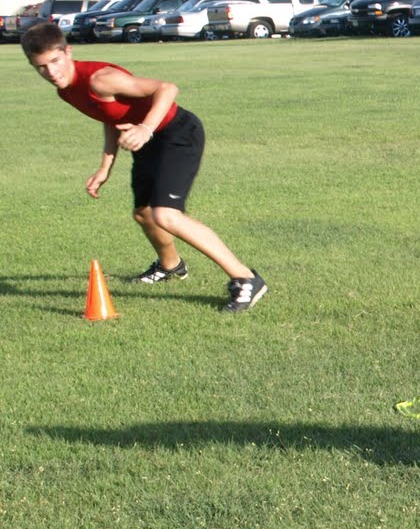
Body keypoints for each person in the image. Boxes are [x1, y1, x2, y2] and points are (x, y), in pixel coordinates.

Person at [20, 21, 267, 312]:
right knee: (143, 214)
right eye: (41, 67)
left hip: (177, 134)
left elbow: (167, 88)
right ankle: (171, 266)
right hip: (148, 139)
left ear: (68, 52)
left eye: (55, 61)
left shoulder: (100, 79)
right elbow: (107, 116)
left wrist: (146, 129)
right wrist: (105, 167)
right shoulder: (66, 89)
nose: (51, 72)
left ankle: (246, 278)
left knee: (165, 215)